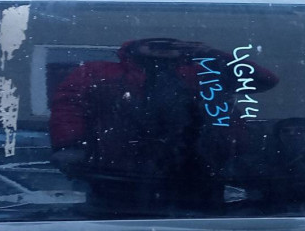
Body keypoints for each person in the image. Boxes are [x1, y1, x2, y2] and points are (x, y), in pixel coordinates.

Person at [49, 38, 276, 217]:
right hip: (121, 174)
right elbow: (68, 104)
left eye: (170, 43)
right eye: (154, 42)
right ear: (133, 46)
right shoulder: (98, 71)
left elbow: (263, 80)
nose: (163, 47)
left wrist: (212, 54)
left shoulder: (206, 71)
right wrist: (70, 145)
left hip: (197, 171)